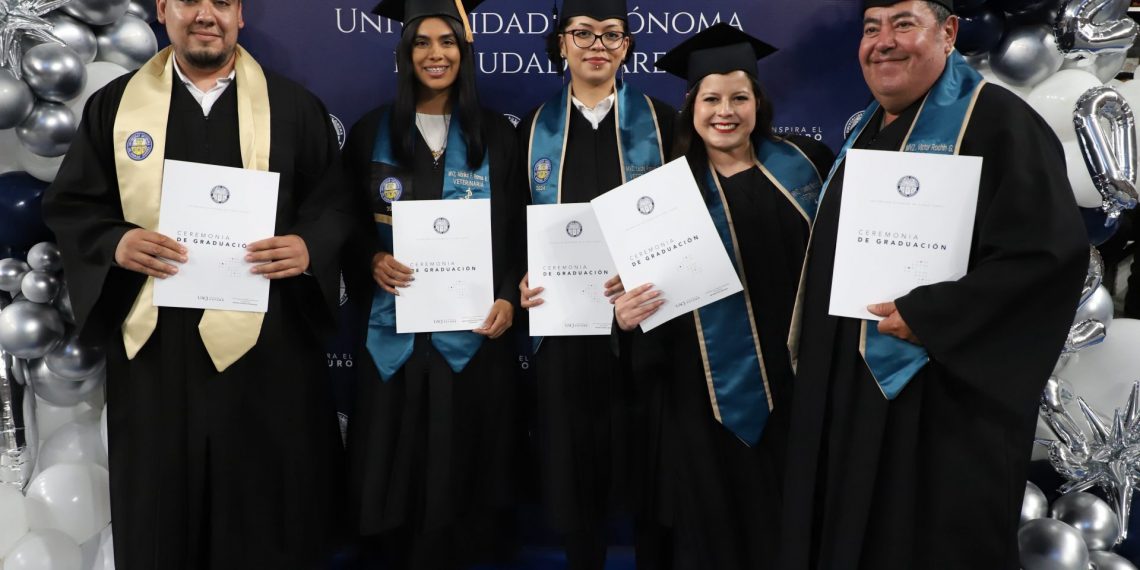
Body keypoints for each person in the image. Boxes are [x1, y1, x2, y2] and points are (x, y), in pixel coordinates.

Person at [41, 0, 352, 568]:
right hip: (158, 350)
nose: (205, 14)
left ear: (241, 15)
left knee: (268, 515)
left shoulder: (293, 107)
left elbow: (335, 205)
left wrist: (309, 245)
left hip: (269, 346)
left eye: (222, 2)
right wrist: (115, 242)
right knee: (163, 519)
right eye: (188, 0)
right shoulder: (115, 107)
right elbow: (74, 205)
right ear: (164, 10)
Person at [778, 1, 1089, 568]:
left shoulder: (1001, 123)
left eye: (904, 24)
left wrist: (933, 315)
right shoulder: (865, 129)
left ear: (948, 33)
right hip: (852, 397)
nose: (883, 41)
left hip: (938, 410)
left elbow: (1046, 258)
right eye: (871, 28)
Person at [611, 23, 833, 570]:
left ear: (759, 103)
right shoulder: (662, 196)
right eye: (711, 99)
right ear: (692, 107)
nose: (725, 112)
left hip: (799, 383)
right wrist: (625, 316)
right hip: (701, 395)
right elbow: (643, 305)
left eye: (739, 98)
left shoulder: (807, 164)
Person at [341, 0, 525, 567]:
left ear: (463, 52)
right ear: (405, 53)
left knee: (467, 457)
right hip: (393, 331)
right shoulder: (372, 131)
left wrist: (508, 297)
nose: (435, 54)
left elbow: (520, 229)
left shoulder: (497, 135)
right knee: (394, 463)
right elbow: (343, 221)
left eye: (447, 41)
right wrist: (371, 258)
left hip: (473, 335)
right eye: (422, 42)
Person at [515, 0, 674, 566]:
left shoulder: (665, 124)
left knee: (653, 468)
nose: (597, 46)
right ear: (561, 43)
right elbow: (511, 227)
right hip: (566, 334)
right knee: (574, 472)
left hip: (649, 326)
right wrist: (519, 279)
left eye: (611, 34)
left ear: (627, 46)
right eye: (582, 33)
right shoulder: (531, 131)